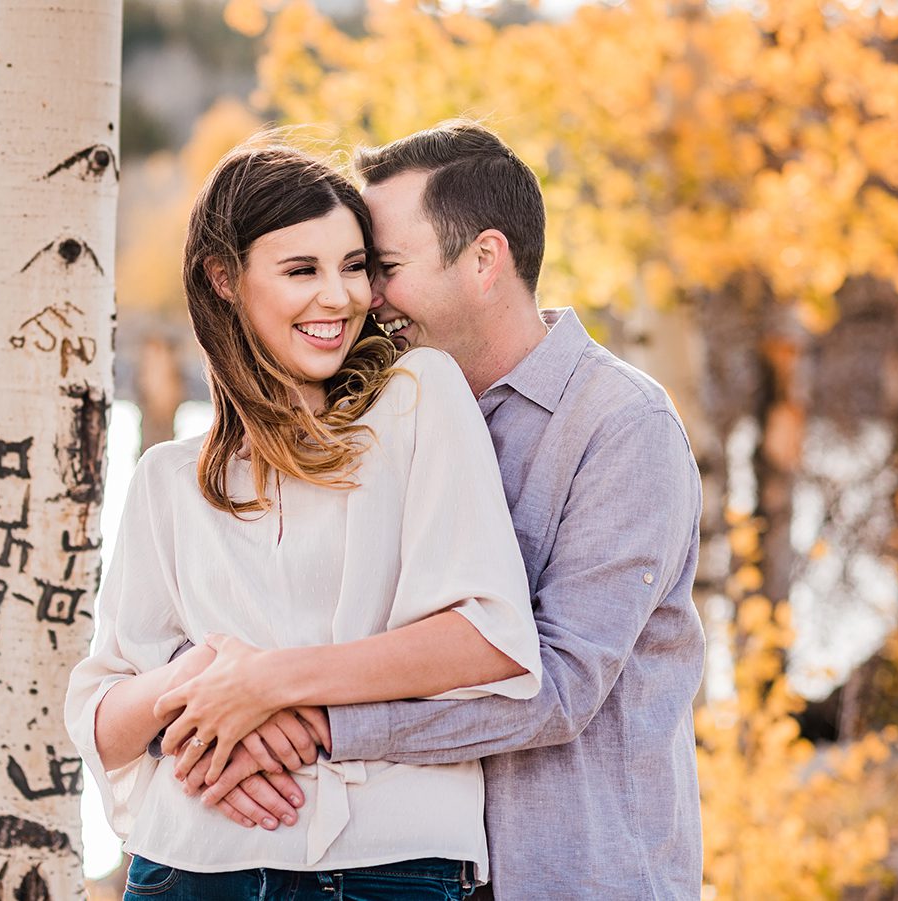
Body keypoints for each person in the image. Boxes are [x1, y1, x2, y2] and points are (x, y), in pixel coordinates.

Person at [175, 122, 707, 900]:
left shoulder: (622, 426)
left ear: (485, 259)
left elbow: (555, 688)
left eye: (381, 267)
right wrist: (222, 720)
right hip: (414, 876)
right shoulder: (373, 420)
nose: (364, 295)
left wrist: (306, 722)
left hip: (573, 878)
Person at [64, 143, 544, 900]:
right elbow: (98, 718)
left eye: (355, 266)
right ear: (225, 279)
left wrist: (270, 688)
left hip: (388, 866)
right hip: (190, 865)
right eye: (301, 270)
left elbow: (489, 636)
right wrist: (197, 682)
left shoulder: (419, 398)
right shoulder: (168, 481)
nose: (342, 297)